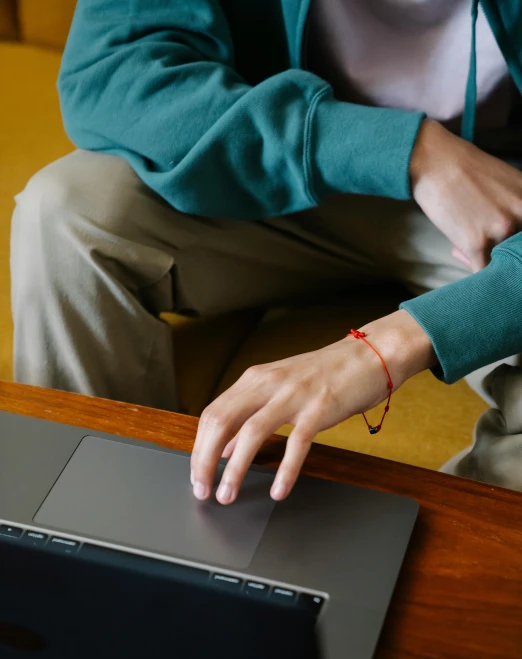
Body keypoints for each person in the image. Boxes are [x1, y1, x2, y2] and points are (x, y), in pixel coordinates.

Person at [10, 0, 522, 505]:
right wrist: (408, 152)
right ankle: (84, 530)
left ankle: (436, 578)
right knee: (65, 214)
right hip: (276, 170)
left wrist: (385, 348)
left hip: (503, 202)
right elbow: (113, 72)